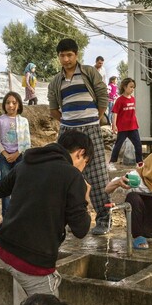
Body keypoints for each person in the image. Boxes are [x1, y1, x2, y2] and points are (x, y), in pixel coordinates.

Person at [0, 130, 93, 296]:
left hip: (3, 248)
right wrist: (85, 198)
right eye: (86, 162)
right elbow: (81, 229)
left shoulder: (27, 162)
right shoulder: (73, 176)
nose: (83, 168)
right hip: (32, 261)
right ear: (80, 153)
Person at [48, 38, 111, 235]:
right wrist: (68, 122)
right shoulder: (56, 81)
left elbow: (103, 96)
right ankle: (65, 220)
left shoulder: (89, 73)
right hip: (67, 132)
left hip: (91, 129)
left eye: (69, 55)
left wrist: (96, 118)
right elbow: (53, 109)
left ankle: (104, 220)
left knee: (98, 174)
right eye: (62, 55)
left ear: (76, 55)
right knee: (64, 174)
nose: (66, 59)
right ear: (58, 57)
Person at [0, 91, 31, 217]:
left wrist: (17, 154)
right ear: (4, 105)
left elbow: (26, 141)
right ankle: (6, 216)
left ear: (19, 105)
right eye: (8, 103)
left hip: (19, 157)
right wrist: (5, 154)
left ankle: (19, 215)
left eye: (14, 103)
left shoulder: (23, 121)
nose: (11, 105)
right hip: (4, 157)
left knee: (19, 185)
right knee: (6, 185)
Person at [108, 77, 144, 171]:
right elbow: (114, 113)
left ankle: (140, 163)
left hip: (133, 127)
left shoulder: (133, 99)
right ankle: (112, 163)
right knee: (118, 145)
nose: (132, 89)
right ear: (124, 87)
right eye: (131, 87)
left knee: (138, 145)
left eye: (133, 87)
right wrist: (114, 125)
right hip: (123, 128)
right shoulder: (119, 100)